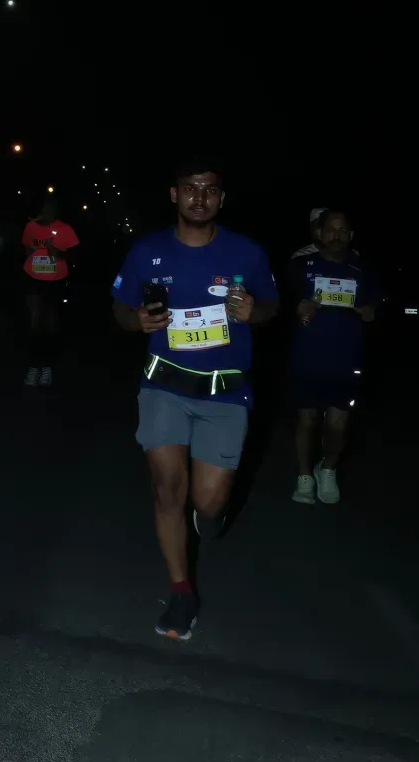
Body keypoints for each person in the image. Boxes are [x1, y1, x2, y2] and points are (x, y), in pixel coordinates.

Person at [111, 160, 278, 642]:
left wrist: (255, 312)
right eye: (190, 189)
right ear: (174, 194)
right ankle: (181, 592)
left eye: (209, 191)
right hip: (163, 386)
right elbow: (120, 308)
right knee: (168, 489)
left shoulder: (246, 252)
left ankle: (212, 515)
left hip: (225, 391)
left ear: (221, 199)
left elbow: (271, 306)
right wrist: (136, 321)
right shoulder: (147, 251)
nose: (199, 198)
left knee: (208, 502)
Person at [291, 208, 378, 504]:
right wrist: (298, 307)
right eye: (331, 229)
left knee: (338, 424)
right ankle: (304, 476)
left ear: (351, 235)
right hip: (307, 356)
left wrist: (371, 312)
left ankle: (327, 468)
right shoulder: (300, 265)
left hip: (347, 359)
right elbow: (278, 305)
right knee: (307, 419)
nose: (336, 235)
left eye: (343, 230)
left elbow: (376, 309)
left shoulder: (363, 268)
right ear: (319, 232)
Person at [20, 192, 79, 387]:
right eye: (46, 208)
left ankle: (46, 368)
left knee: (50, 326)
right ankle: (33, 367)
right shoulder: (31, 226)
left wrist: (58, 253)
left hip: (56, 282)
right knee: (33, 324)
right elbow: (25, 247)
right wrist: (29, 251)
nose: (48, 212)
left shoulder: (65, 230)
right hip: (33, 279)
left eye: (52, 209)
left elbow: (75, 257)